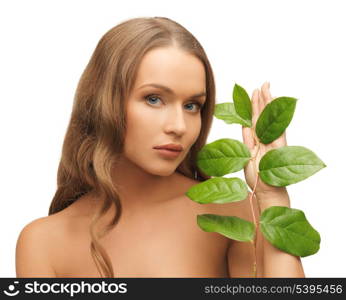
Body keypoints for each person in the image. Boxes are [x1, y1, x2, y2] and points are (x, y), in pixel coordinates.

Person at [15, 16, 305, 278]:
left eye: (192, 105)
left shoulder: (230, 212)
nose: (179, 125)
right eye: (154, 99)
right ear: (105, 102)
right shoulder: (42, 242)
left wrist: (272, 198)